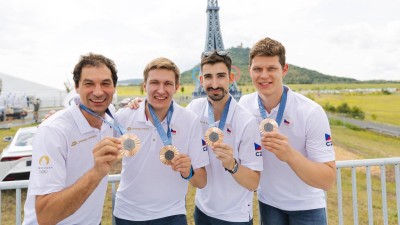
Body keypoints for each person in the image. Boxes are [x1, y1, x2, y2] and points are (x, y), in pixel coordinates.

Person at [238, 37, 336, 225]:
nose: (264, 75)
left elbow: (328, 180)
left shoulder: (310, 112)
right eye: (257, 69)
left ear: (284, 69)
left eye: (271, 69)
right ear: (249, 70)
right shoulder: (244, 105)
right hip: (268, 204)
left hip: (307, 208)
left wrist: (290, 155)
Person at [23, 53, 121, 225]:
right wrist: (97, 172)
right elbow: (46, 216)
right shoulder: (53, 131)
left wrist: (138, 102)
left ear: (114, 87)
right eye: (89, 83)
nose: (98, 92)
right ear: (76, 87)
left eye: (105, 83)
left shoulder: (110, 118)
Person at [113, 57, 209, 224]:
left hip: (172, 215)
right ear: (144, 86)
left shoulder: (189, 120)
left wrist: (189, 171)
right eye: (154, 83)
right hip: (128, 214)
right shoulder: (124, 116)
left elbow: (201, 181)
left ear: (177, 87)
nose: (161, 90)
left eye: (168, 84)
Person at [187, 51, 263, 224]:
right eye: (208, 77)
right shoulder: (193, 109)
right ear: (201, 81)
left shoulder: (246, 121)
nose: (214, 84)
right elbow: (168, 117)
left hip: (235, 217)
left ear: (231, 78)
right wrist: (141, 104)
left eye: (221, 76)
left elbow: (253, 183)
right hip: (202, 211)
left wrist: (232, 165)